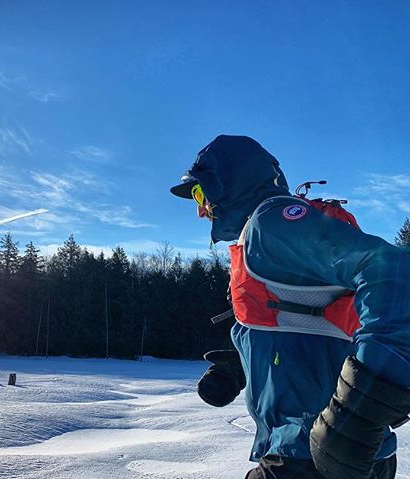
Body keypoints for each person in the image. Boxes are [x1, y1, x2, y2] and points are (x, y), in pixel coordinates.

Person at [170, 135, 410, 479]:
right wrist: (242, 363)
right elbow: (305, 320)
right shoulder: (265, 239)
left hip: (312, 456)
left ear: (229, 184)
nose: (200, 209)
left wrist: (367, 404)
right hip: (339, 454)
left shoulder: (270, 223)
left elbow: (395, 270)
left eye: (200, 193)